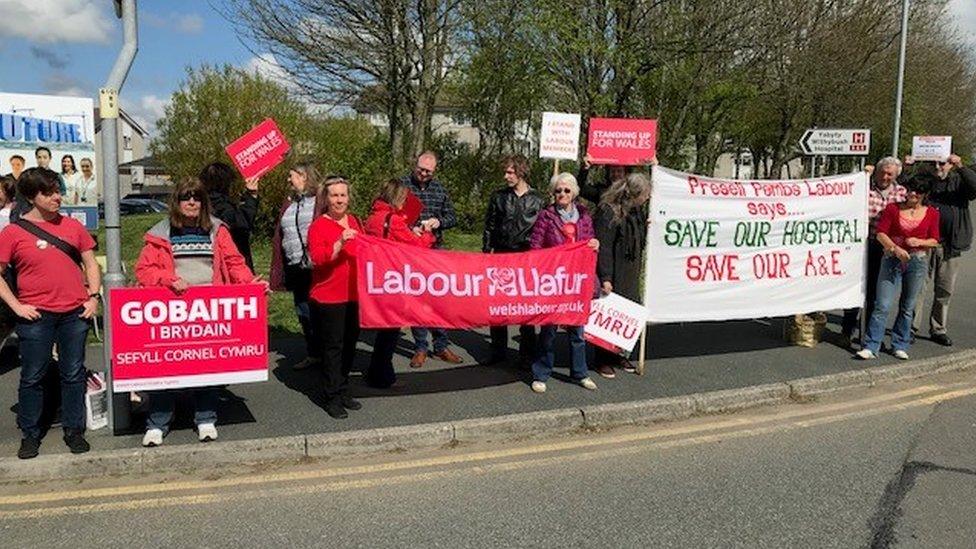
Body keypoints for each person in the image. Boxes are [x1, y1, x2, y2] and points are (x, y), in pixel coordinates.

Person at [134, 178, 262, 446]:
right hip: (172, 308)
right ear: (177, 203)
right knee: (166, 370)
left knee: (207, 366)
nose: (191, 202)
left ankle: (205, 418)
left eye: (196, 198)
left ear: (203, 203)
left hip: (208, 309)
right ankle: (157, 423)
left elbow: (233, 262)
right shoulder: (160, 233)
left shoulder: (217, 230)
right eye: (185, 197)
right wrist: (168, 279)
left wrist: (250, 284)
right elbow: (144, 271)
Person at [0, 167, 100, 459]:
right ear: (32, 197)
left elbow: (91, 263)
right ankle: (30, 434)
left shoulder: (72, 227)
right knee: (33, 376)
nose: (57, 197)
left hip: (74, 313)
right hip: (36, 316)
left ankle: (74, 430)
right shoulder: (13, 232)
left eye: (58, 190)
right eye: (49, 192)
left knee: (73, 374)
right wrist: (16, 305)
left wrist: (93, 297)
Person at [527, 172, 600, 393]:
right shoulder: (546, 217)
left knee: (577, 330)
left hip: (577, 280)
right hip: (554, 280)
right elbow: (535, 247)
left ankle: (580, 373)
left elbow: (590, 241)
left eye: (566, 190)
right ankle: (541, 373)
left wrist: (594, 244)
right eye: (558, 190)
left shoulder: (585, 216)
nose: (562, 194)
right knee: (548, 329)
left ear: (574, 193)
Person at [856, 173, 941, 361]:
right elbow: (880, 233)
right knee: (882, 304)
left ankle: (900, 344)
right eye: (910, 190)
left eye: (917, 192)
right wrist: (894, 248)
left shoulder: (932, 213)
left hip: (917, 260)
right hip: (891, 259)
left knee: (908, 305)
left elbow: (935, 239)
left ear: (925, 194)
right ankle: (871, 345)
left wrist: (919, 241)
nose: (912, 194)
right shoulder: (893, 209)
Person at [364, 179, 436, 389]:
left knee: (385, 330)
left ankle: (378, 372)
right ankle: (382, 376)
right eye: (403, 198)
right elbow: (417, 244)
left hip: (377, 277)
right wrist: (427, 232)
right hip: (392, 278)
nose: (405, 203)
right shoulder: (392, 220)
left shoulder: (373, 217)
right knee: (390, 331)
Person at [306, 176, 364, 418]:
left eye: (343, 195)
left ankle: (341, 388)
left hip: (354, 295)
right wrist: (340, 242)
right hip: (329, 297)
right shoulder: (318, 225)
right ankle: (331, 396)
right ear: (326, 199)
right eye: (334, 195)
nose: (339, 200)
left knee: (350, 344)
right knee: (333, 348)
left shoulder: (355, 221)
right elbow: (318, 259)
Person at [400, 151, 463, 367]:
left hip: (435, 250)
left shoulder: (439, 189)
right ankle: (420, 347)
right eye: (421, 169)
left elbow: (452, 217)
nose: (423, 174)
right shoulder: (402, 186)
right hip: (411, 249)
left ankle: (441, 345)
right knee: (418, 298)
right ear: (414, 164)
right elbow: (391, 215)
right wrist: (411, 228)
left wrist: (439, 222)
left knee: (439, 298)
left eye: (428, 171)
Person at [907, 154, 976, 347]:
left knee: (944, 290)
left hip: (950, 245)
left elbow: (974, 187)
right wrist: (908, 166)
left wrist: (961, 166)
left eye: (942, 163)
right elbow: (905, 185)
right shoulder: (926, 182)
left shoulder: (959, 182)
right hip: (925, 244)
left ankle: (938, 329)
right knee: (918, 288)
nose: (938, 166)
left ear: (950, 164)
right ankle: (910, 327)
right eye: (934, 163)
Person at [483, 155, 546, 365]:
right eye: (506, 172)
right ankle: (498, 351)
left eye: (510, 172)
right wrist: (486, 254)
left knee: (525, 306)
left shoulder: (538, 199)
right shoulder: (499, 196)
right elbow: (489, 226)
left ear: (521, 172)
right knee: (498, 306)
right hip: (501, 255)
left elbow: (544, 229)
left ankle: (527, 353)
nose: (506, 176)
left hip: (526, 258)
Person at [593, 171, 652, 378]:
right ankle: (602, 358)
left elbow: (639, 241)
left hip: (630, 271)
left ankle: (618, 353)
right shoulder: (608, 211)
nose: (647, 198)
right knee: (610, 314)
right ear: (635, 194)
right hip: (615, 270)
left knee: (627, 313)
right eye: (645, 194)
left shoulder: (636, 212)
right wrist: (606, 277)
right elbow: (604, 247)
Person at [841, 158, 906, 343]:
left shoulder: (901, 193)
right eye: (882, 172)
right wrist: (863, 175)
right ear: (876, 172)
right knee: (857, 287)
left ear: (896, 176)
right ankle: (847, 330)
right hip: (862, 244)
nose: (885, 177)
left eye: (890, 174)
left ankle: (867, 333)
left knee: (877, 293)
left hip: (886, 247)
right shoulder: (863, 188)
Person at [270, 162, 324, 369]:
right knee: (303, 311)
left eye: (291, 175)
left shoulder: (319, 200)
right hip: (295, 265)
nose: (288, 180)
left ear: (304, 177)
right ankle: (314, 353)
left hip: (315, 266)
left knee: (319, 311)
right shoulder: (290, 203)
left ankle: (328, 354)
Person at [200, 162, 259, 271]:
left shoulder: (200, 205)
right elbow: (242, 224)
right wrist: (251, 196)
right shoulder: (222, 206)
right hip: (232, 263)